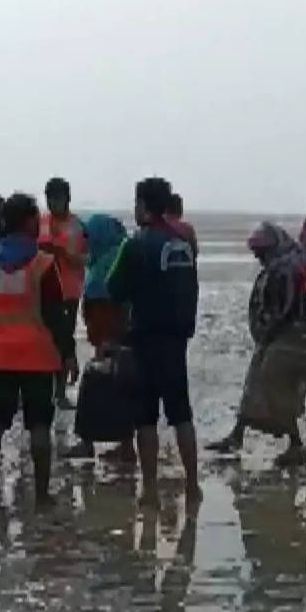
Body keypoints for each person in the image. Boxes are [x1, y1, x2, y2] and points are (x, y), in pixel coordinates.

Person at [0, 193, 79, 506]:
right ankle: (42, 495)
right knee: (40, 426)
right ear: (30, 220)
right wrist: (68, 353)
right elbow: (57, 315)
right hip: (38, 356)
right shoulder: (44, 264)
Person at [106, 177, 201, 507]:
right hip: (176, 341)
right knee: (181, 413)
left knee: (146, 417)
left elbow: (113, 287)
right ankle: (193, 485)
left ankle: (149, 489)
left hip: (144, 338)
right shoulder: (184, 243)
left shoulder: (135, 244)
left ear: (143, 206)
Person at [206, 222, 306, 466]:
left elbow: (288, 308)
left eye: (260, 252)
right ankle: (237, 435)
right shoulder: (294, 265)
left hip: (288, 339)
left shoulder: (289, 269)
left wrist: (268, 331)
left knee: (275, 390)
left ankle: (296, 446)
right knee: (254, 384)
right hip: (280, 337)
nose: (258, 257)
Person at [65, 212, 136, 462]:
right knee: (123, 389)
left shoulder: (107, 265)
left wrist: (107, 339)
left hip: (110, 336)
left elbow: (109, 303)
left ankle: (89, 442)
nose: (84, 241)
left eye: (88, 236)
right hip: (120, 337)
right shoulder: (118, 255)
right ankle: (125, 444)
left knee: (96, 388)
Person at [39, 177, 87, 409]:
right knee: (42, 339)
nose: (52, 203)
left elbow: (85, 257)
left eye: (57, 198)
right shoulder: (40, 222)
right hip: (42, 290)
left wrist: (62, 253)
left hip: (69, 289)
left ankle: (59, 393)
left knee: (64, 340)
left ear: (67, 199)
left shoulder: (77, 225)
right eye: (49, 198)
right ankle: (40, 390)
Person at [166, 193, 199, 259]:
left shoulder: (159, 228)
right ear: (180, 209)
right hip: (184, 265)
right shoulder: (187, 228)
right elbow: (195, 252)